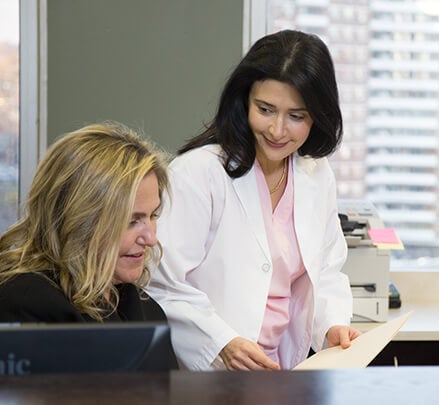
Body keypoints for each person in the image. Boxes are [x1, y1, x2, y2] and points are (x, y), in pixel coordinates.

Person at [146, 29, 360, 371]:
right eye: (265, 109)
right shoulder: (199, 173)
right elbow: (162, 284)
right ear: (244, 100)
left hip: (280, 372)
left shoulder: (315, 174)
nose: (277, 130)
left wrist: (332, 325)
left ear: (317, 117)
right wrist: (222, 342)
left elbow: (326, 270)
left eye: (296, 116)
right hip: (212, 372)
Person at [0, 122, 171, 326]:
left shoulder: (144, 307)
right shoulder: (28, 303)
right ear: (78, 221)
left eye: (153, 215)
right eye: (131, 221)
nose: (151, 239)